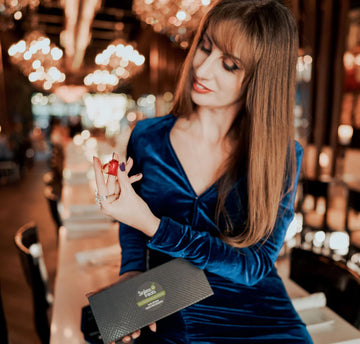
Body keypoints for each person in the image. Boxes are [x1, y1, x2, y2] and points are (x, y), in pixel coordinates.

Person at [93, 0, 313, 343]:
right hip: (171, 301)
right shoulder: (148, 137)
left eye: (229, 64)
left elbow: (253, 265)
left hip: (261, 320)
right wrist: (131, 272)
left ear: (261, 77)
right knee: (94, 327)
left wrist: (152, 224)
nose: (202, 68)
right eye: (204, 47)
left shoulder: (281, 156)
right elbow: (132, 225)